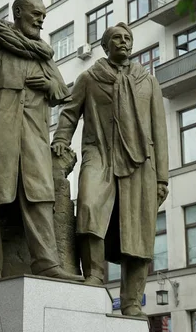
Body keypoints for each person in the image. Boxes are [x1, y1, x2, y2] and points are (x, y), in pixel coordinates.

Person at [0, 0, 82, 282]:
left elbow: (62, 92)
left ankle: (47, 262)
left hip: (32, 134)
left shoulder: (40, 53)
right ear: (18, 12)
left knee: (39, 195)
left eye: (43, 16)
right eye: (36, 14)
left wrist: (48, 84)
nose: (40, 20)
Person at [52, 23, 169, 316]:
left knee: (139, 233)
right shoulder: (89, 78)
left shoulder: (147, 81)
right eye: (116, 38)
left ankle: (131, 301)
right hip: (99, 154)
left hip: (141, 164)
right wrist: (60, 141)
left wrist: (162, 178)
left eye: (128, 38)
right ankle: (94, 275)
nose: (123, 42)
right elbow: (69, 113)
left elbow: (160, 129)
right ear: (105, 46)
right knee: (90, 208)